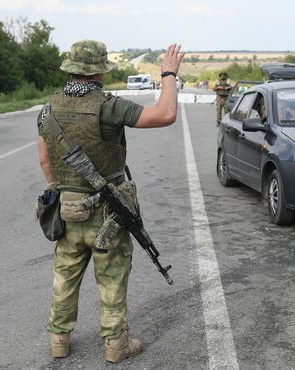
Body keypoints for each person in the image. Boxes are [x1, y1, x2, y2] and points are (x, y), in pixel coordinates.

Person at [37, 40, 184, 363]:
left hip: (67, 208)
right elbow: (166, 114)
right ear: (100, 72)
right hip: (108, 210)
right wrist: (169, 74)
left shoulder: (49, 108)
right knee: (112, 276)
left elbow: (46, 159)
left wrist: (63, 190)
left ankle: (59, 340)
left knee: (65, 274)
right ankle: (117, 345)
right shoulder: (109, 105)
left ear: (71, 70)